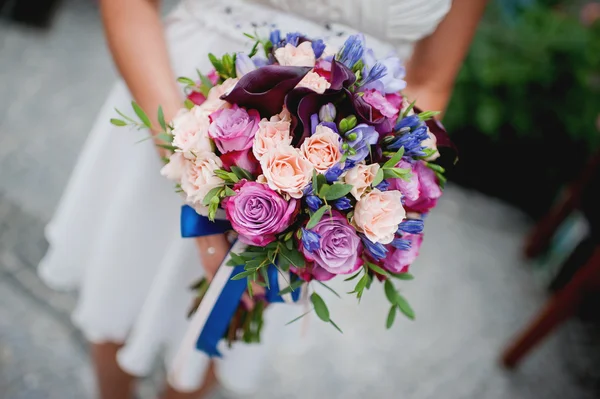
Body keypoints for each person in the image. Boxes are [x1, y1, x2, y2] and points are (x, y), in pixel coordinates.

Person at [38, 0, 487, 398]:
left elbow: (430, 80)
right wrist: (190, 155)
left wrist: (341, 198)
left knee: (232, 319)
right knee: (123, 282)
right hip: (182, 101)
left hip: (344, 150)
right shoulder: (183, 129)